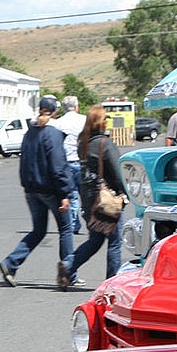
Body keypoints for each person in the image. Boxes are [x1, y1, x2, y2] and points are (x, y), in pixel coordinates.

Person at [0, 95, 75, 289]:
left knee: (38, 230)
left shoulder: (30, 132)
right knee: (66, 229)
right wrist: (64, 193)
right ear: (55, 112)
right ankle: (68, 272)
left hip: (31, 189)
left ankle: (10, 263)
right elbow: (58, 166)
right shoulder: (52, 133)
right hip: (50, 190)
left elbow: (24, 161)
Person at [67, 106, 125, 286]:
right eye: (105, 119)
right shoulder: (105, 144)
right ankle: (112, 283)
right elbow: (117, 174)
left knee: (95, 239)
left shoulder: (83, 143)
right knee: (115, 242)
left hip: (88, 199)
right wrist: (124, 192)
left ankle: (68, 266)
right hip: (106, 201)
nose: (107, 122)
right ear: (100, 123)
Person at [49, 95, 86, 235]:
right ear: (76, 107)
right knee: (86, 194)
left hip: (66, 161)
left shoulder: (58, 123)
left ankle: (74, 224)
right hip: (82, 160)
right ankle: (88, 220)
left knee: (72, 195)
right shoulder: (84, 120)